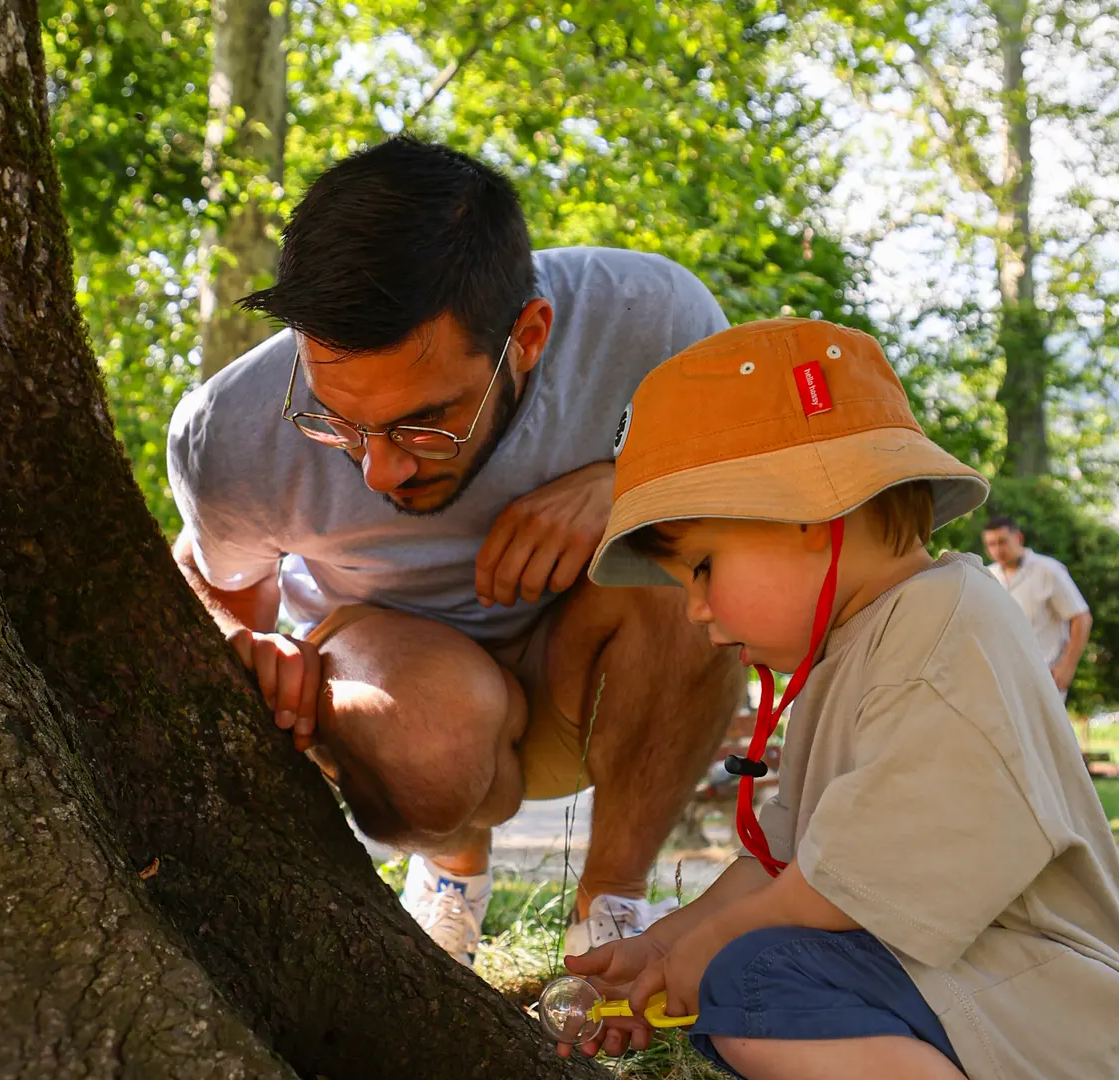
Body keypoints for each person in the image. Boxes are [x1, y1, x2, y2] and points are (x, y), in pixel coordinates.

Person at [166, 137, 743, 965]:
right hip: (397, 689)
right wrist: (243, 650)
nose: (380, 467)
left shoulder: (650, 319)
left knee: (684, 570)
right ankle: (450, 871)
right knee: (437, 743)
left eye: (425, 423)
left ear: (530, 335)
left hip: (584, 664)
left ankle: (609, 921)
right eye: (337, 421)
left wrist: (629, 485)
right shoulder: (229, 431)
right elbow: (219, 594)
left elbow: (751, 484)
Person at [560, 319, 1119, 1079]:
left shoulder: (946, 630)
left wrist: (711, 948)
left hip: (1041, 1006)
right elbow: (784, 863)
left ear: (809, 511)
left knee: (752, 980)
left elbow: (837, 889)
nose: (696, 612)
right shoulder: (854, 648)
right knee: (749, 970)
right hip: (963, 985)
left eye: (703, 568)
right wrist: (666, 943)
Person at [981, 517, 1093, 696]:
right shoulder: (986, 576)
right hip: (1002, 681)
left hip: (1044, 679)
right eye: (991, 544)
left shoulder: (1048, 571)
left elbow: (1081, 617)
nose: (997, 550)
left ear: (1018, 538)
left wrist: (1068, 667)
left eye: (1002, 542)